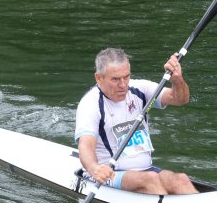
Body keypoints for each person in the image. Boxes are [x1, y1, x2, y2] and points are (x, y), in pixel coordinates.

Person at [75, 47, 198, 195]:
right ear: (99, 78)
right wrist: (94, 168)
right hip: (109, 174)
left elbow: (180, 99)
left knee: (181, 180)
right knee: (150, 180)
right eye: (115, 79)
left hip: (146, 171)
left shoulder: (139, 89)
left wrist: (177, 80)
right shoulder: (91, 103)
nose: (123, 85)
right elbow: (85, 145)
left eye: (126, 77)